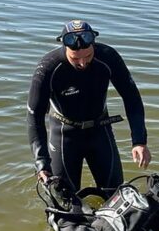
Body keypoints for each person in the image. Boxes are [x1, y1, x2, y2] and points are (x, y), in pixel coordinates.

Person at [27, 20, 151, 192]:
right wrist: (42, 162)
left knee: (115, 194)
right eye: (75, 58)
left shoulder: (108, 57)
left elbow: (132, 98)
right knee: (65, 203)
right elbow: (34, 116)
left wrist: (139, 141)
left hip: (100, 131)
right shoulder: (49, 67)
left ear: (93, 45)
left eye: (88, 56)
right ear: (66, 49)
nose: (83, 63)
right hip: (64, 135)